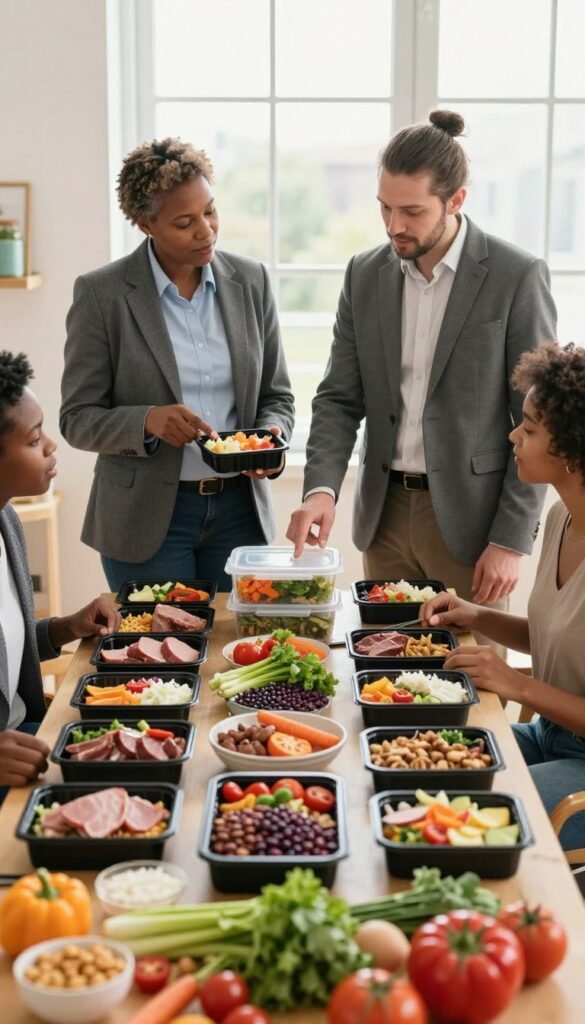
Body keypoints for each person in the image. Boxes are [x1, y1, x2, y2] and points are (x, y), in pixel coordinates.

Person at [286, 110, 556, 609]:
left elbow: (538, 415)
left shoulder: (515, 276)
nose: (394, 226)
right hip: (383, 517)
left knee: (470, 680)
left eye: (411, 211)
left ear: (456, 200)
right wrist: (319, 490)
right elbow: (338, 398)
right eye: (384, 208)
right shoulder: (364, 274)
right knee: (384, 675)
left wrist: (511, 539)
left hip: (472, 527)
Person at [60, 138, 294, 593]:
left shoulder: (250, 281)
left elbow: (277, 395)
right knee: (161, 652)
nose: (206, 230)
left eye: (210, 211)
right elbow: (76, 419)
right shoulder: (102, 295)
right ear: (147, 224)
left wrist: (270, 439)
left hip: (239, 515)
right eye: (185, 222)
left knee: (236, 650)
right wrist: (148, 420)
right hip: (145, 522)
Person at [419, 342, 585, 851]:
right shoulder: (561, 517)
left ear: (575, 447)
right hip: (550, 738)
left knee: (459, 822)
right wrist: (477, 615)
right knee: (422, 769)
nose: (513, 435)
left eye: (531, 428)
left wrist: (514, 683)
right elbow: (559, 637)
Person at [0, 351, 120, 792]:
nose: (51, 446)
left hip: (29, 737)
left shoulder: (6, 521)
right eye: (33, 441)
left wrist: (64, 628)